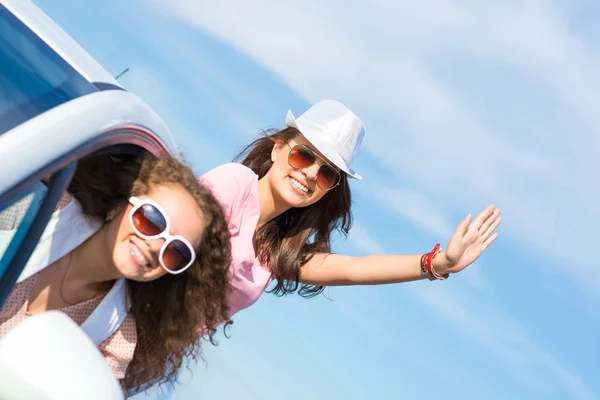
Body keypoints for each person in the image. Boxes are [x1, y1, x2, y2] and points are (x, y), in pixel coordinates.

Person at [199, 99, 502, 320]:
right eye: (304, 155)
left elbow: (354, 269)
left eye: (327, 173)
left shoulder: (276, 252)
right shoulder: (236, 183)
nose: (310, 174)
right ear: (278, 148)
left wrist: (440, 263)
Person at [0, 153, 233, 392]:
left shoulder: (116, 338)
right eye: (151, 220)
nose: (155, 246)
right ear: (122, 205)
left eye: (176, 251)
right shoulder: (43, 210)